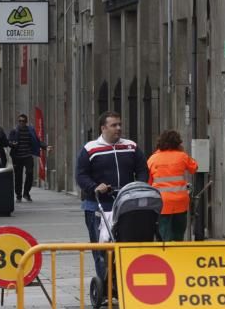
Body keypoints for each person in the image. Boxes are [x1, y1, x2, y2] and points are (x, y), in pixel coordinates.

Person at [75, 111, 148, 282]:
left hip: (126, 204)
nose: (119, 128)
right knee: (101, 247)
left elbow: (142, 169)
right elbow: (81, 175)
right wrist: (95, 187)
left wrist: (141, 185)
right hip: (99, 205)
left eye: (120, 124)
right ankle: (105, 283)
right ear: (103, 128)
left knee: (126, 243)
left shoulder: (131, 146)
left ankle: (126, 280)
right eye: (114, 125)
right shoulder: (90, 149)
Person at [147, 130, 199, 241]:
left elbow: (148, 182)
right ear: (177, 143)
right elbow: (194, 168)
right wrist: (183, 152)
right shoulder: (182, 156)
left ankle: (165, 257)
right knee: (178, 235)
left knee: (164, 237)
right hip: (180, 202)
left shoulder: (152, 159)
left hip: (161, 203)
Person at [8, 114, 48, 202]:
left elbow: (37, 141)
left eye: (23, 121)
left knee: (29, 173)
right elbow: (9, 142)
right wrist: (12, 144)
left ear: (26, 122)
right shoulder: (14, 131)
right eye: (20, 121)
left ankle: (26, 193)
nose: (21, 122)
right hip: (17, 157)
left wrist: (45, 146)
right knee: (18, 177)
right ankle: (18, 195)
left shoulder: (30, 130)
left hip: (27, 155)